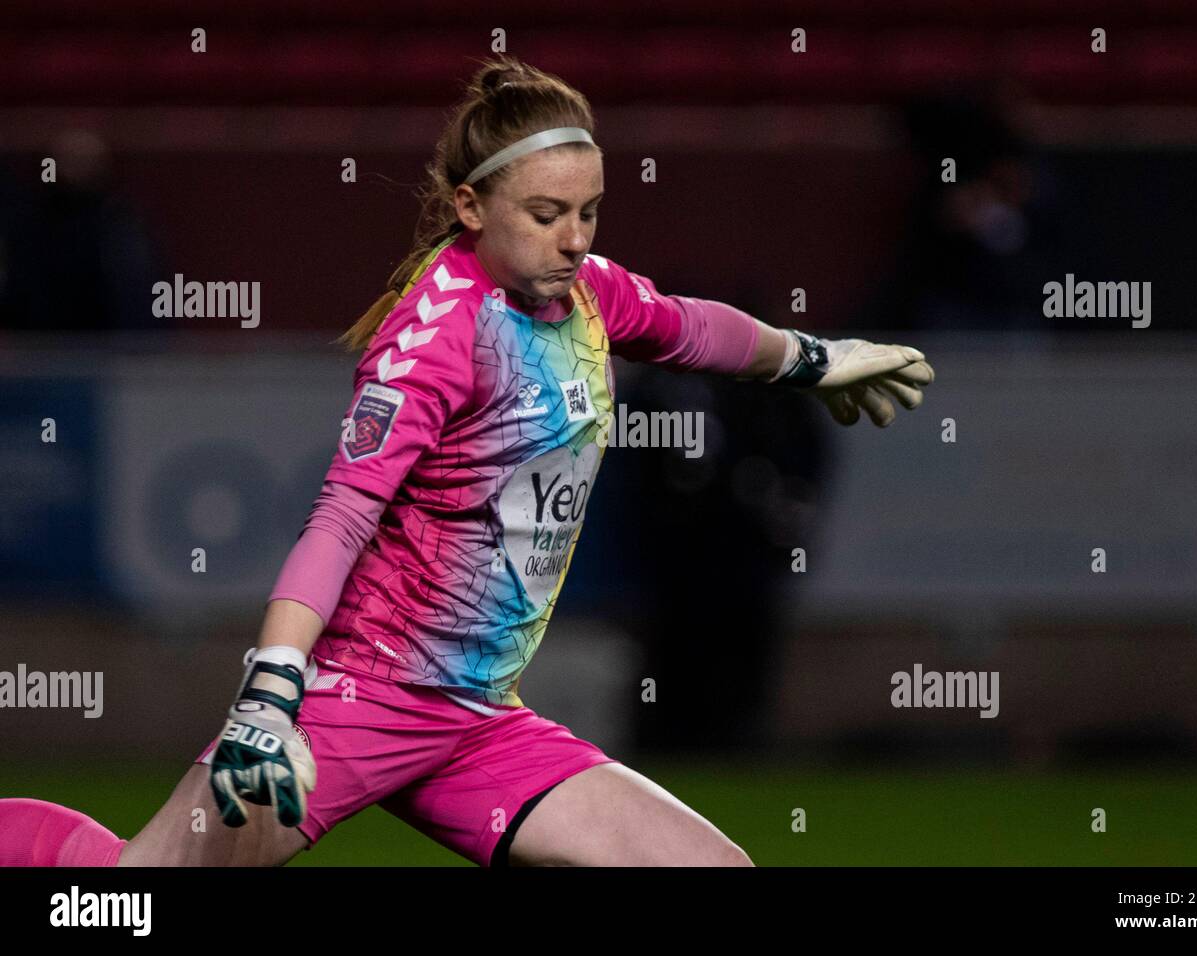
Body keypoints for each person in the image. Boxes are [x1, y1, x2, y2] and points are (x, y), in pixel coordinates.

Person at [0, 55, 933, 867]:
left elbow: (692, 329)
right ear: (470, 205)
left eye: (589, 211)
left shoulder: (586, 290)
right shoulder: (439, 335)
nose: (575, 238)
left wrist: (815, 359)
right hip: (355, 702)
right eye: (545, 213)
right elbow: (339, 517)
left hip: (480, 719)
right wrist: (269, 697)